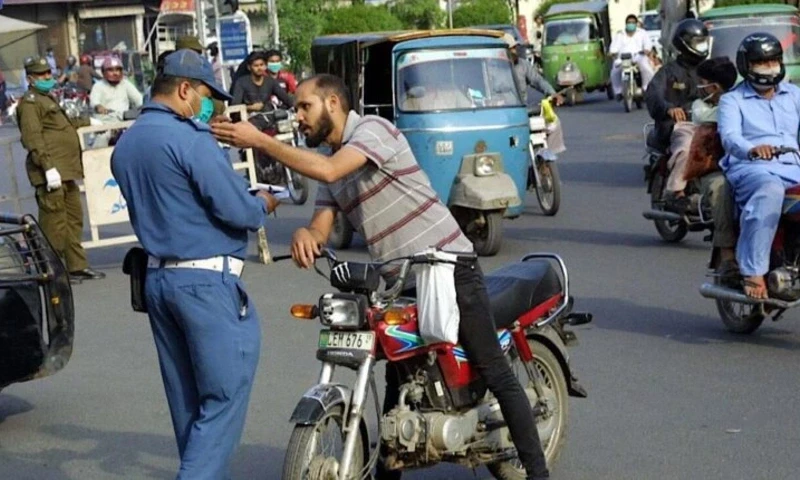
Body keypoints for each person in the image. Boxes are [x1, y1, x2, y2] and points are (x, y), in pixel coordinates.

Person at [211, 73, 552, 480]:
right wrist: (307, 234)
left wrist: (262, 141)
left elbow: (330, 171)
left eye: (305, 106)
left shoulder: (373, 131)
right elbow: (322, 223)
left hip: (447, 266)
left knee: (493, 368)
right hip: (396, 281)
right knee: (396, 375)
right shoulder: (333, 160)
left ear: (333, 103)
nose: (297, 115)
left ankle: (538, 472)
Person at [111, 49, 278, 478]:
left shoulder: (127, 143)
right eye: (206, 95)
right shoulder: (191, 138)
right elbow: (236, 210)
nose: (210, 106)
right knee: (223, 395)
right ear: (184, 89)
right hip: (206, 283)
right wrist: (261, 203)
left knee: (187, 401)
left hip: (158, 279)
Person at [718, 33, 800, 300]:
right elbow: (730, 137)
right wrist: (751, 149)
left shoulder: (794, 94)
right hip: (750, 168)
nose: (770, 66)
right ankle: (753, 270)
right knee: (770, 189)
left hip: (792, 166)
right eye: (761, 61)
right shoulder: (733, 100)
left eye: (774, 60)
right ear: (746, 65)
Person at [17, 57, 105, 284]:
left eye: (48, 72)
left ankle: (77, 266)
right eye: (42, 74)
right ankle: (53, 270)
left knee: (73, 220)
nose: (48, 77)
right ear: (30, 79)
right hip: (51, 172)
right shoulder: (30, 103)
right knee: (54, 225)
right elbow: (33, 138)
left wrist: (89, 122)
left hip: (66, 171)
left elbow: (61, 126)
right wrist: (48, 168)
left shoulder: (47, 99)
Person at [681, 56, 739, 283]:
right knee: (721, 188)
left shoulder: (754, 100)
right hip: (716, 169)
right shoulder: (706, 108)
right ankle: (727, 256)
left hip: (758, 166)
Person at [644, 18, 710, 212]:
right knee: (686, 148)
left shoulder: (709, 70)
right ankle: (675, 192)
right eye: (699, 43)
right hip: (677, 126)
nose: (703, 46)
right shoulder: (668, 72)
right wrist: (668, 108)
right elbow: (653, 94)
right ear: (685, 44)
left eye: (704, 41)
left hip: (709, 123)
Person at [504, 34, 566, 154]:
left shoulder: (523, 65)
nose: (514, 51)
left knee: (554, 123)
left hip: (523, 112)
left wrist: (552, 93)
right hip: (503, 116)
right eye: (510, 49)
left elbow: (538, 80)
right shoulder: (491, 68)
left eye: (514, 48)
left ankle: (547, 155)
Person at [609, 14, 655, 100]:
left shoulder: (642, 33)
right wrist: (612, 53)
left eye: (633, 22)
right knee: (614, 71)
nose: (631, 24)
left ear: (636, 23)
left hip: (638, 56)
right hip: (623, 58)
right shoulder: (620, 34)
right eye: (629, 22)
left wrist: (646, 50)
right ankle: (618, 92)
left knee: (647, 69)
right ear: (625, 24)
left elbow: (648, 44)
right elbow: (613, 47)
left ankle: (645, 88)